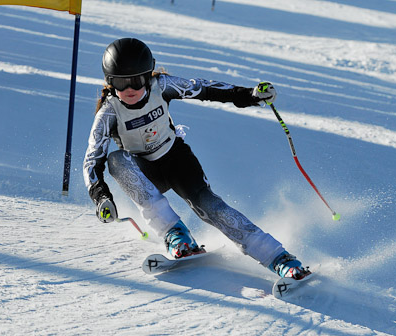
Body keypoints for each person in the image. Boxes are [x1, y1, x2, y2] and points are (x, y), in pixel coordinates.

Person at [83, 38, 310, 280]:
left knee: (210, 207)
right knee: (117, 160)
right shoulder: (108, 112)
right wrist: (101, 197)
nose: (130, 89)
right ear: (109, 81)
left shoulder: (162, 86)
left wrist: (250, 95)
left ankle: (279, 258)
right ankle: (175, 233)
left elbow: (206, 88)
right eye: (120, 82)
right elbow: (92, 161)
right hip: (145, 172)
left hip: (176, 160)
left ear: (148, 76)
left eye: (137, 81)